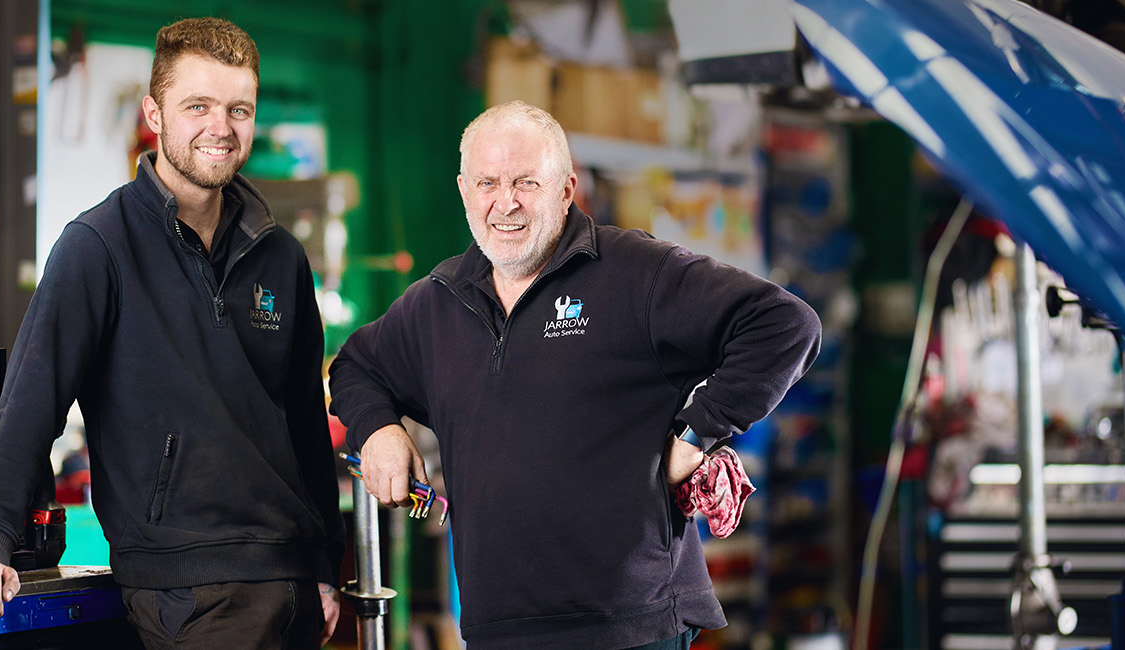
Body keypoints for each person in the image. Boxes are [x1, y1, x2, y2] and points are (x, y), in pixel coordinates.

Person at [328, 101, 821, 650]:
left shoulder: (636, 272)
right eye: (487, 183)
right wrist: (378, 431)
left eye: (526, 182)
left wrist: (699, 430)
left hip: (629, 625)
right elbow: (356, 365)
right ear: (465, 191)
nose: (505, 203)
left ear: (566, 190)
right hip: (498, 631)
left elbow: (785, 323)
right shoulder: (437, 303)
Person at [0, 17, 344, 649]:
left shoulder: (281, 257)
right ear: (155, 113)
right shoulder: (97, 246)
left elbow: (303, 427)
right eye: (198, 106)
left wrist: (324, 566)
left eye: (240, 108)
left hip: (293, 586)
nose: (222, 127)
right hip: (189, 591)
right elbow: (31, 401)